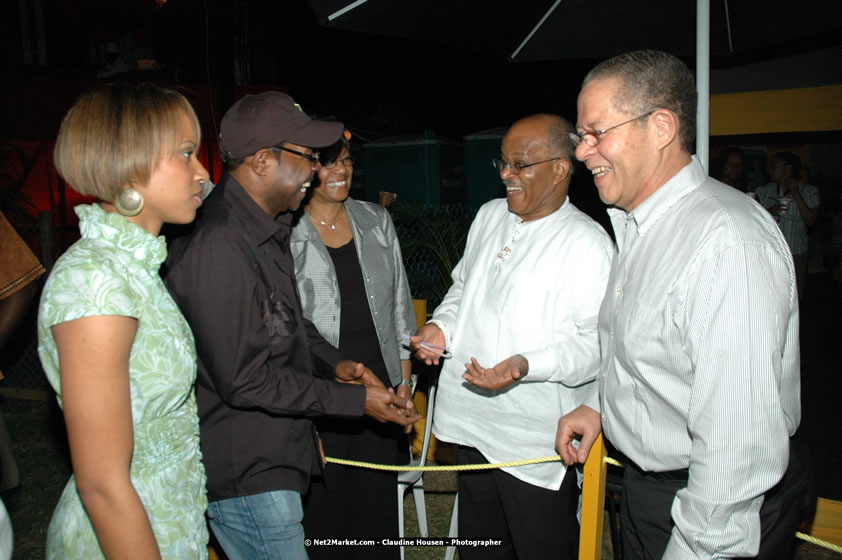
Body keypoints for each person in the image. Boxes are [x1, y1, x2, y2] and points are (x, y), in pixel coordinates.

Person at [557, 50, 804, 559]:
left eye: (596, 132)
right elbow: (658, 356)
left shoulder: (726, 242)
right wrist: (603, 407)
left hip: (713, 509)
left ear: (662, 126)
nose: (583, 153)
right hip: (654, 491)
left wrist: (698, 546)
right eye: (581, 136)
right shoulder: (637, 224)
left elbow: (736, 449)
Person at [164, 91, 419, 560]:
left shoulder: (263, 228)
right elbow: (244, 379)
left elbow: (288, 322)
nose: (316, 171)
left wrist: (336, 364)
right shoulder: (220, 244)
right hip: (248, 471)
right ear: (263, 161)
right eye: (307, 158)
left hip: (277, 452)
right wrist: (354, 402)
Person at [412, 114, 613, 560]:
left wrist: (525, 364)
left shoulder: (588, 244)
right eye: (502, 163)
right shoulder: (489, 215)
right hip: (473, 422)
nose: (506, 174)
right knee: (483, 547)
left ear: (561, 169)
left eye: (520, 164)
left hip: (534, 439)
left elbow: (597, 347)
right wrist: (439, 327)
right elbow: (464, 287)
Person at [37, 82, 211, 558]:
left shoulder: (133, 268)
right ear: (128, 164)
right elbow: (102, 486)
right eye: (186, 153)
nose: (202, 172)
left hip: (170, 527)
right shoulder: (94, 281)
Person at [290, 135, 416, 558]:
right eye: (327, 163)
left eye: (345, 161)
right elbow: (288, 326)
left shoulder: (375, 219)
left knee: (376, 506)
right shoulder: (286, 229)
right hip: (321, 385)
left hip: (379, 383)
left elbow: (400, 304)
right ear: (308, 169)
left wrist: (404, 383)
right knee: (325, 506)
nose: (340, 171)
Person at [755, 151, 820, 299]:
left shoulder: (809, 191)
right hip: (770, 251)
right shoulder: (763, 191)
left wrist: (796, 193)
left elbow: (811, 220)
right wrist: (769, 211)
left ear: (787, 168)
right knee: (769, 293)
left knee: (794, 295)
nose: (769, 170)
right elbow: (754, 219)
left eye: (773, 167)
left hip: (796, 252)